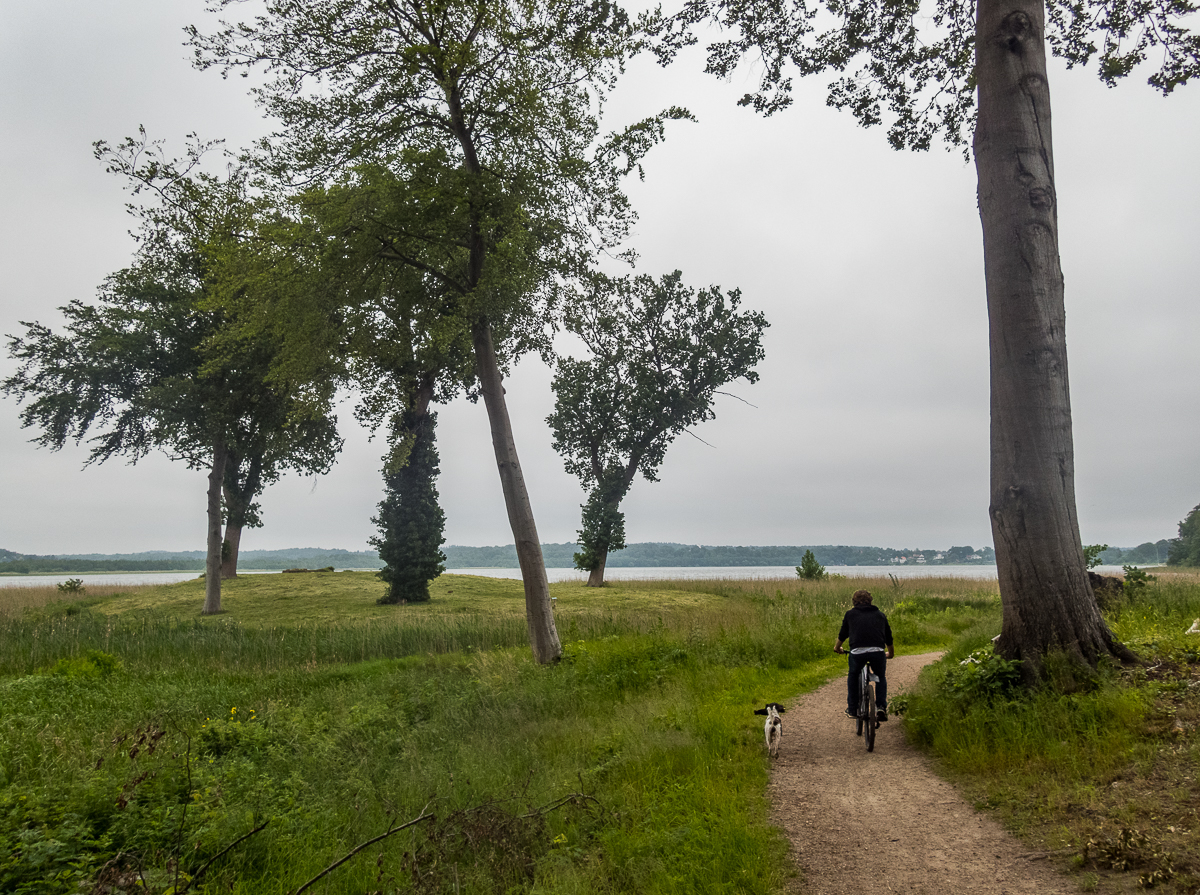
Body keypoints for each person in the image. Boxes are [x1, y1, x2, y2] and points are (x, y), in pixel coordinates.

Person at [834, 589, 894, 721]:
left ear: (854, 602)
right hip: (877, 652)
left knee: (853, 675)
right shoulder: (880, 615)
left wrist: (837, 648)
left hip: (857, 652)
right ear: (870, 601)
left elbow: (843, 634)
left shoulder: (850, 614)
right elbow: (888, 637)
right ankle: (881, 707)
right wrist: (890, 653)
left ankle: (853, 708)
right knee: (880, 677)